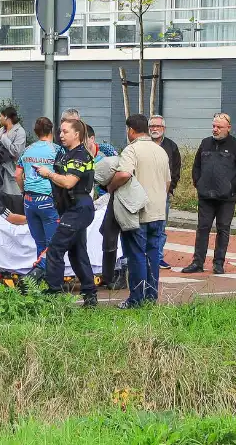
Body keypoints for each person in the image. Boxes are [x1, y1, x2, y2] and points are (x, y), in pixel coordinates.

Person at [32, 119, 98, 307]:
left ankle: (54, 293)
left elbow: (69, 182)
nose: (61, 135)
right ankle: (90, 296)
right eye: (60, 131)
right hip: (70, 207)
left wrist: (49, 174)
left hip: (79, 207)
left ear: (76, 134)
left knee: (55, 249)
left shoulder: (80, 155)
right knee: (77, 253)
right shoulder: (66, 154)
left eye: (65, 132)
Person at [108, 115, 171, 308]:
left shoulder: (132, 149)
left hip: (138, 212)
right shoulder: (160, 151)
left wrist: (111, 186)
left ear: (131, 130)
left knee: (136, 256)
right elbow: (167, 182)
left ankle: (136, 299)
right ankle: (151, 297)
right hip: (158, 211)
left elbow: (125, 173)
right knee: (153, 255)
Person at [182, 113, 236, 274]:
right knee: (202, 228)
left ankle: (218, 263)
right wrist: (198, 183)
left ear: (228, 128)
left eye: (219, 127)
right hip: (206, 196)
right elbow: (196, 166)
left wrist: (231, 188)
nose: (215, 129)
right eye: (214, 126)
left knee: (223, 229)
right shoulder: (205, 143)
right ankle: (198, 262)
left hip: (227, 198)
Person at [16, 117, 60, 265]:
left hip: (29, 201)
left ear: (35, 132)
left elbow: (17, 175)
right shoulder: (56, 150)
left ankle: (39, 279)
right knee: (52, 245)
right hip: (47, 199)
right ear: (51, 130)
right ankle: (51, 280)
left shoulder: (27, 150)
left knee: (39, 244)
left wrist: (23, 191)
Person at [149, 115, 182, 269]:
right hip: (144, 193)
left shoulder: (171, 147)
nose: (154, 129)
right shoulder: (143, 144)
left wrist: (169, 189)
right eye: (152, 126)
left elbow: (176, 171)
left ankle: (158, 257)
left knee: (161, 227)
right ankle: (145, 257)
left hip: (163, 194)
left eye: (158, 126)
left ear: (164, 129)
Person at [0, 106, 26, 196]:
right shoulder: (1, 130)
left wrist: (4, 138)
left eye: (0, 116)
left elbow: (17, 153)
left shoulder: (20, 132)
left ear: (6, 117)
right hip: (0, 172)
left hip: (12, 172)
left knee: (13, 200)